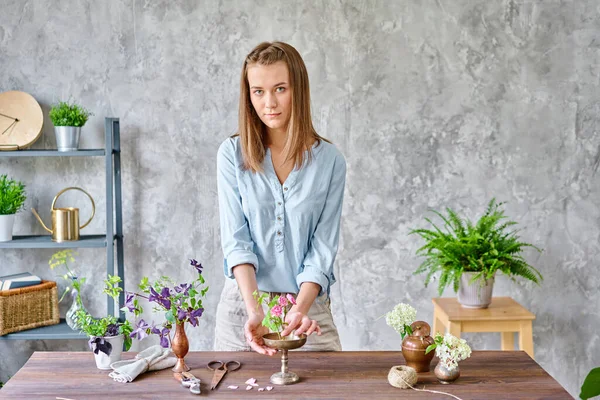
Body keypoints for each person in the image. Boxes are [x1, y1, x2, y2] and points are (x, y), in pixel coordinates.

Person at [214, 41, 346, 355]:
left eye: (280, 88)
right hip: (242, 309)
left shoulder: (330, 161)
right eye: (258, 91)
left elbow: (322, 248)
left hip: (307, 308)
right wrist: (255, 310)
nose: (269, 103)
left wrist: (299, 309)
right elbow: (237, 242)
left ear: (298, 89)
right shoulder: (232, 155)